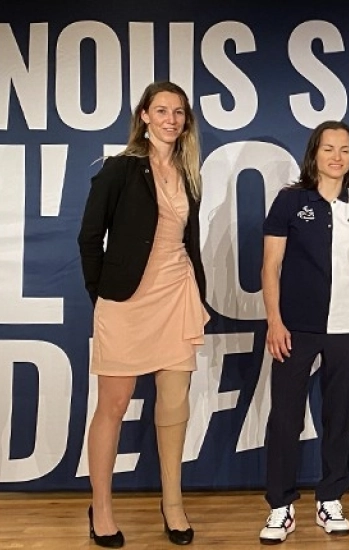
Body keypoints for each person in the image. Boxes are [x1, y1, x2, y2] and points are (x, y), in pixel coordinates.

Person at [78, 81, 209, 548]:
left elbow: (187, 239)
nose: (171, 119)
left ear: (185, 120)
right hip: (125, 301)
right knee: (112, 406)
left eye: (178, 111)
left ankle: (172, 503)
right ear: (144, 116)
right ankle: (102, 508)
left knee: (174, 405)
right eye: (161, 110)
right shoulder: (119, 170)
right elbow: (89, 238)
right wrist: (104, 296)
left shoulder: (190, 172)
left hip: (177, 293)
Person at [257, 121, 349, 544]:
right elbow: (270, 266)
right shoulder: (290, 201)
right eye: (329, 148)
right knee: (286, 418)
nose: (336, 157)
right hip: (295, 327)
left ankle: (331, 499)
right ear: (314, 153)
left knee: (337, 417)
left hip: (348, 328)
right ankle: (280, 505)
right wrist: (274, 320)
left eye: (344, 150)